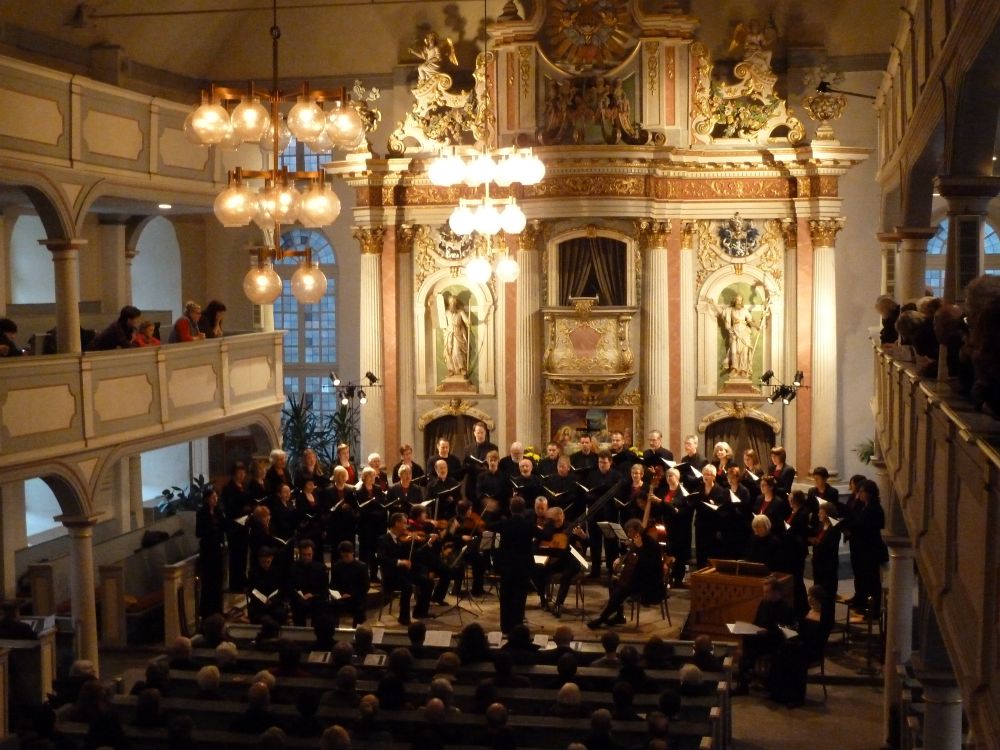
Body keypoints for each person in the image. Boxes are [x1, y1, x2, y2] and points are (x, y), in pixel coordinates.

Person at [588, 519, 666, 629]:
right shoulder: (637, 541)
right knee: (614, 582)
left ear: (637, 531)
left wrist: (640, 548)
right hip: (639, 578)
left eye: (630, 532)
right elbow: (631, 558)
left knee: (622, 588)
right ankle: (619, 616)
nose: (628, 535)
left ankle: (602, 618)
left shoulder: (652, 545)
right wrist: (620, 559)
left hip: (651, 583)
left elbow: (649, 565)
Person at [766, 585, 834, 707]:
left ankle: (796, 698)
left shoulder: (825, 615)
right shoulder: (809, 611)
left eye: (813, 597)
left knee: (795, 657)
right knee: (782, 650)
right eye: (809, 596)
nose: (810, 599)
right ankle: (780, 693)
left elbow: (820, 638)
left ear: (819, 599)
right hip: (802, 645)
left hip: (813, 649)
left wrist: (802, 640)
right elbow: (801, 630)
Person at [486, 496, 537, 633]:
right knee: (520, 598)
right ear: (524, 510)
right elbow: (546, 535)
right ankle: (517, 626)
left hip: (506, 565)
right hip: (523, 566)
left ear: (510, 509)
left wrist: (492, 511)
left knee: (506, 597)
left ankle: (506, 627)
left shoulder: (505, 524)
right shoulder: (529, 525)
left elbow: (488, 525)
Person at [736, 574, 794, 693]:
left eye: (767, 592)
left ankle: (749, 679)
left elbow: (785, 632)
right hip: (760, 639)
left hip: (774, 643)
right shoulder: (764, 603)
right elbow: (756, 621)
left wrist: (768, 632)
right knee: (746, 644)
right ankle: (745, 682)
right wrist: (750, 629)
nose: (764, 594)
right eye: (764, 592)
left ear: (776, 592)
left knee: (748, 653)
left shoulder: (785, 609)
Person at [378, 512, 432, 625]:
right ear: (396, 523)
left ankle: (420, 612)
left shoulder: (401, 539)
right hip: (391, 575)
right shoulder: (383, 539)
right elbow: (382, 558)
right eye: (404, 523)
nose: (406, 526)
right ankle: (404, 618)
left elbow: (412, 555)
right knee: (407, 587)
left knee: (427, 582)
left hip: (403, 573)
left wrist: (428, 544)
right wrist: (400, 562)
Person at [582, 450, 623, 578]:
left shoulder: (617, 476)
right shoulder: (592, 475)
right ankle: (595, 571)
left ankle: (612, 570)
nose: (602, 465)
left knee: (611, 544)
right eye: (600, 462)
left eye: (604, 463)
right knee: (595, 544)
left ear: (610, 462)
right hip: (594, 514)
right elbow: (586, 493)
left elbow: (619, 494)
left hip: (610, 514)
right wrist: (592, 495)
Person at [195, 485, 226, 617]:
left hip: (217, 549)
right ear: (207, 499)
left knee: (218, 581)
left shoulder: (218, 511)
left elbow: (223, 525)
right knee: (209, 582)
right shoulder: (202, 513)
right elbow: (199, 532)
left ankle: (218, 610)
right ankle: (207, 611)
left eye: (216, 497)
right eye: (213, 497)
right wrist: (212, 528)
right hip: (208, 551)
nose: (215, 499)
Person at [719, 292, 761, 378]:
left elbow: (749, 321)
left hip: (744, 333)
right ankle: (734, 368)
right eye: (737, 300)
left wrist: (757, 327)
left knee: (744, 352)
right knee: (734, 351)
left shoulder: (744, 310)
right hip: (734, 333)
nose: (739, 302)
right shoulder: (729, 310)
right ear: (734, 300)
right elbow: (722, 316)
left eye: (740, 300)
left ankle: (743, 370)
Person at [290, 539, 330, 626]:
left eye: (309, 555)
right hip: (299, 599)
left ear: (313, 554)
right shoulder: (294, 568)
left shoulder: (320, 568)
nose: (307, 557)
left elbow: (324, 589)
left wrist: (312, 595)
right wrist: (299, 595)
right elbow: (290, 587)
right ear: (300, 554)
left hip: (315, 599)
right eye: (304, 555)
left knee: (320, 607)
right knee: (297, 607)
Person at [331, 540, 370, 627]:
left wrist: (351, 594)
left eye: (347, 556)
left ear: (352, 553)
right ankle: (334, 631)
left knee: (360, 609)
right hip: (341, 597)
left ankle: (357, 633)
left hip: (356, 598)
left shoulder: (362, 567)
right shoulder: (337, 566)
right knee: (331, 607)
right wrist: (340, 594)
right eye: (343, 556)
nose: (345, 558)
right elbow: (333, 584)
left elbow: (365, 586)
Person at [809, 502, 842, 602]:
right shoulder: (820, 526)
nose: (819, 514)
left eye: (821, 512)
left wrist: (818, 543)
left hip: (828, 565)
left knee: (827, 590)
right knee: (817, 588)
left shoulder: (835, 529)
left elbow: (832, 547)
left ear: (828, 514)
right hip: (818, 563)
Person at [464, 420, 498, 499]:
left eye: (482, 432)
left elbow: (496, 464)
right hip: (472, 482)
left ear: (485, 433)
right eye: (478, 432)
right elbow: (465, 465)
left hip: (486, 481)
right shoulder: (468, 448)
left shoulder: (493, 448)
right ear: (474, 433)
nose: (480, 435)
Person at [442, 293, 470, 377]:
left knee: (457, 352)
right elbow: (441, 322)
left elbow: (466, 320)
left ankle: (462, 368)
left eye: (454, 302)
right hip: (448, 334)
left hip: (457, 334)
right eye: (451, 302)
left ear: (456, 303)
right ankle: (450, 369)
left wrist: (468, 322)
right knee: (448, 352)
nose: (452, 304)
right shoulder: (446, 313)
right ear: (449, 303)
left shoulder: (460, 312)